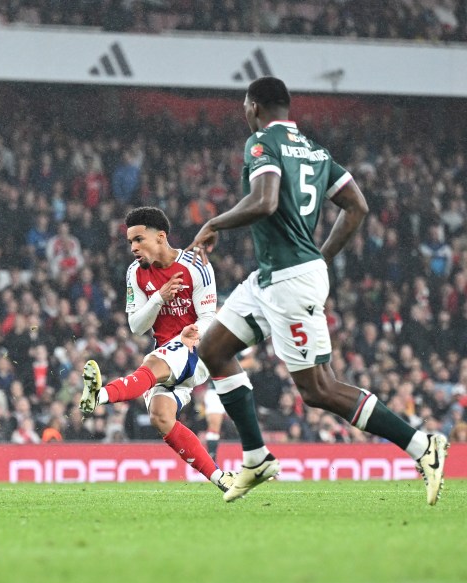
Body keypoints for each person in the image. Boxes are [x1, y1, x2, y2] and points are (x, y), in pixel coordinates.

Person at [187, 76, 449, 504]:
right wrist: (320, 256)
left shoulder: (261, 144)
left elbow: (266, 200)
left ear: (254, 107)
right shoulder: (315, 151)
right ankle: (255, 458)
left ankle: (423, 447)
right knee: (214, 349)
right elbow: (357, 206)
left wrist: (215, 222)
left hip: (289, 281)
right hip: (273, 277)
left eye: (244, 108)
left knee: (319, 390)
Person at [79, 206, 234, 493]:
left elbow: (209, 315)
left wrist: (193, 334)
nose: (134, 248)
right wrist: (159, 299)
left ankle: (98, 395)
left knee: (152, 364)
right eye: (130, 243)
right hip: (169, 352)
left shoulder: (196, 265)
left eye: (139, 240)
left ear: (161, 237)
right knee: (161, 417)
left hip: (199, 348)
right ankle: (221, 478)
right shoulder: (135, 273)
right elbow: (137, 325)